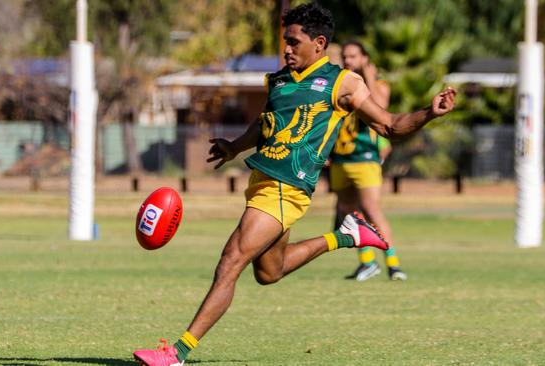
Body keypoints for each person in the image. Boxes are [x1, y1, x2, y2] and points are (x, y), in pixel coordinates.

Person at [132, 3, 456, 365]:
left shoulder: (342, 83)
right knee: (269, 272)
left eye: (293, 41)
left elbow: (390, 126)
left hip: (287, 188)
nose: (286, 48)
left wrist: (429, 113)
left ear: (319, 43)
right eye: (284, 41)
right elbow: (266, 122)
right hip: (261, 181)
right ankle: (346, 236)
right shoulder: (279, 81)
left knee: (230, 262)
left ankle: (176, 353)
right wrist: (234, 147)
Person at [330, 40, 407, 281]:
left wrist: (369, 77)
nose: (348, 60)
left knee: (372, 210)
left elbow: (381, 108)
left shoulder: (377, 84)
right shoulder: (340, 84)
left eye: (353, 56)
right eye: (345, 56)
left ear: (365, 58)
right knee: (348, 212)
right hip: (341, 159)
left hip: (365, 160)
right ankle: (367, 263)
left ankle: (394, 265)